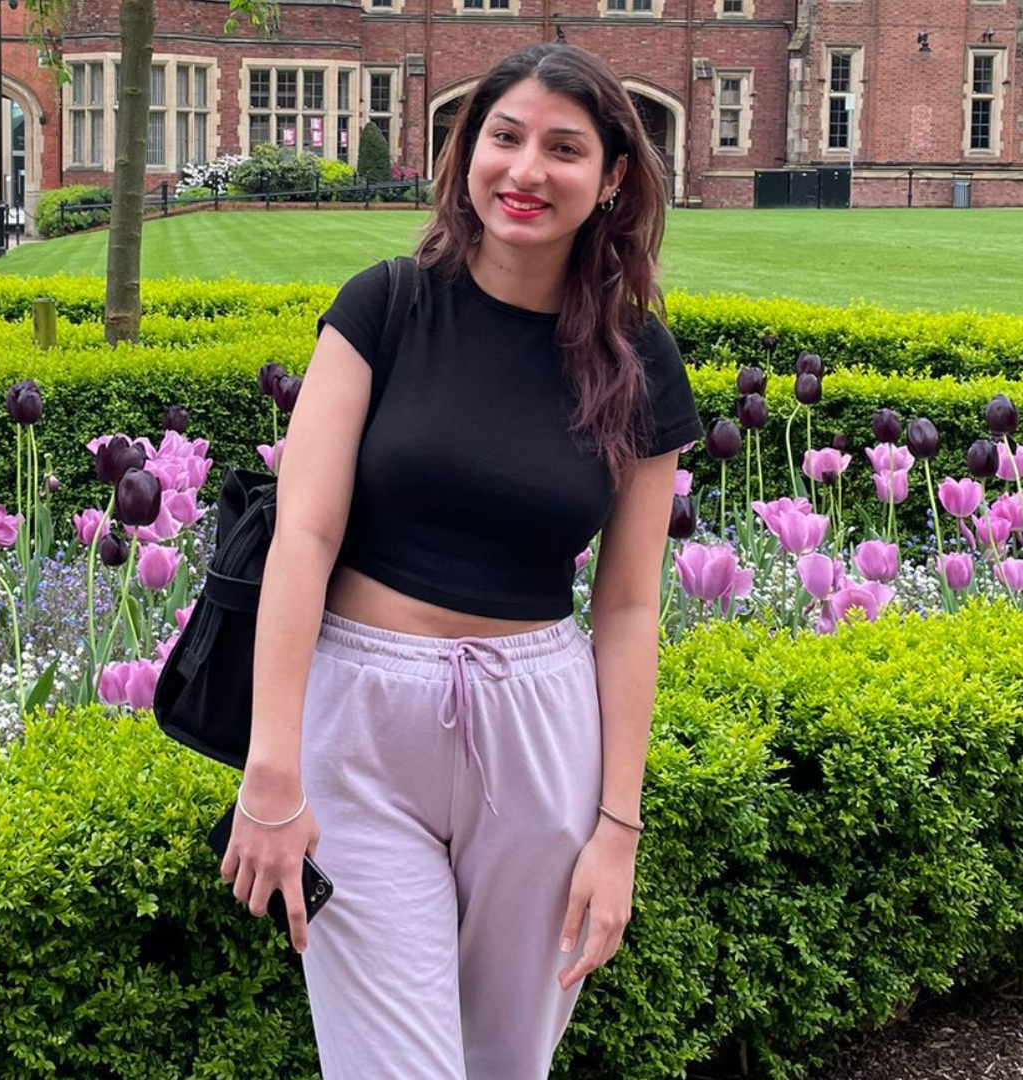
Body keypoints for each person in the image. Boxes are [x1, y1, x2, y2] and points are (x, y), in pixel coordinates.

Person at [218, 41, 703, 1080]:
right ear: (466, 151)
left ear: (613, 176)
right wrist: (272, 770)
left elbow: (625, 608)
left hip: (539, 731)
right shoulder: (384, 307)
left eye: (564, 148)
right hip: (362, 724)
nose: (527, 171)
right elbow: (302, 536)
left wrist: (619, 828)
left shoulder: (639, 357)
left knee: (505, 1062)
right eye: (505, 137)